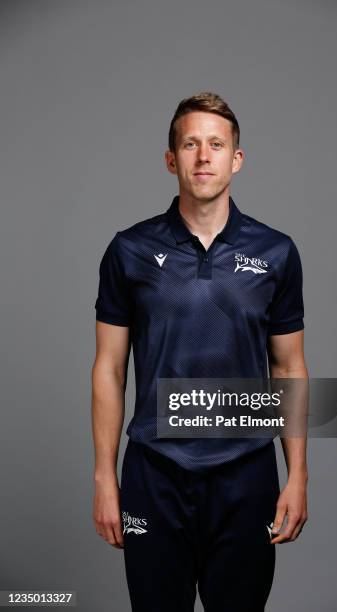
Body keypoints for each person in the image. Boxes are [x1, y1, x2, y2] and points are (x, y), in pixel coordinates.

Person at [91, 91, 309, 612]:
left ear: (237, 158)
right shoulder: (129, 250)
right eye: (190, 144)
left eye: (216, 144)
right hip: (154, 473)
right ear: (172, 159)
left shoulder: (276, 252)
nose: (203, 156)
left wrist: (297, 474)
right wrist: (104, 476)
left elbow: (289, 367)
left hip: (246, 473)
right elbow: (109, 367)